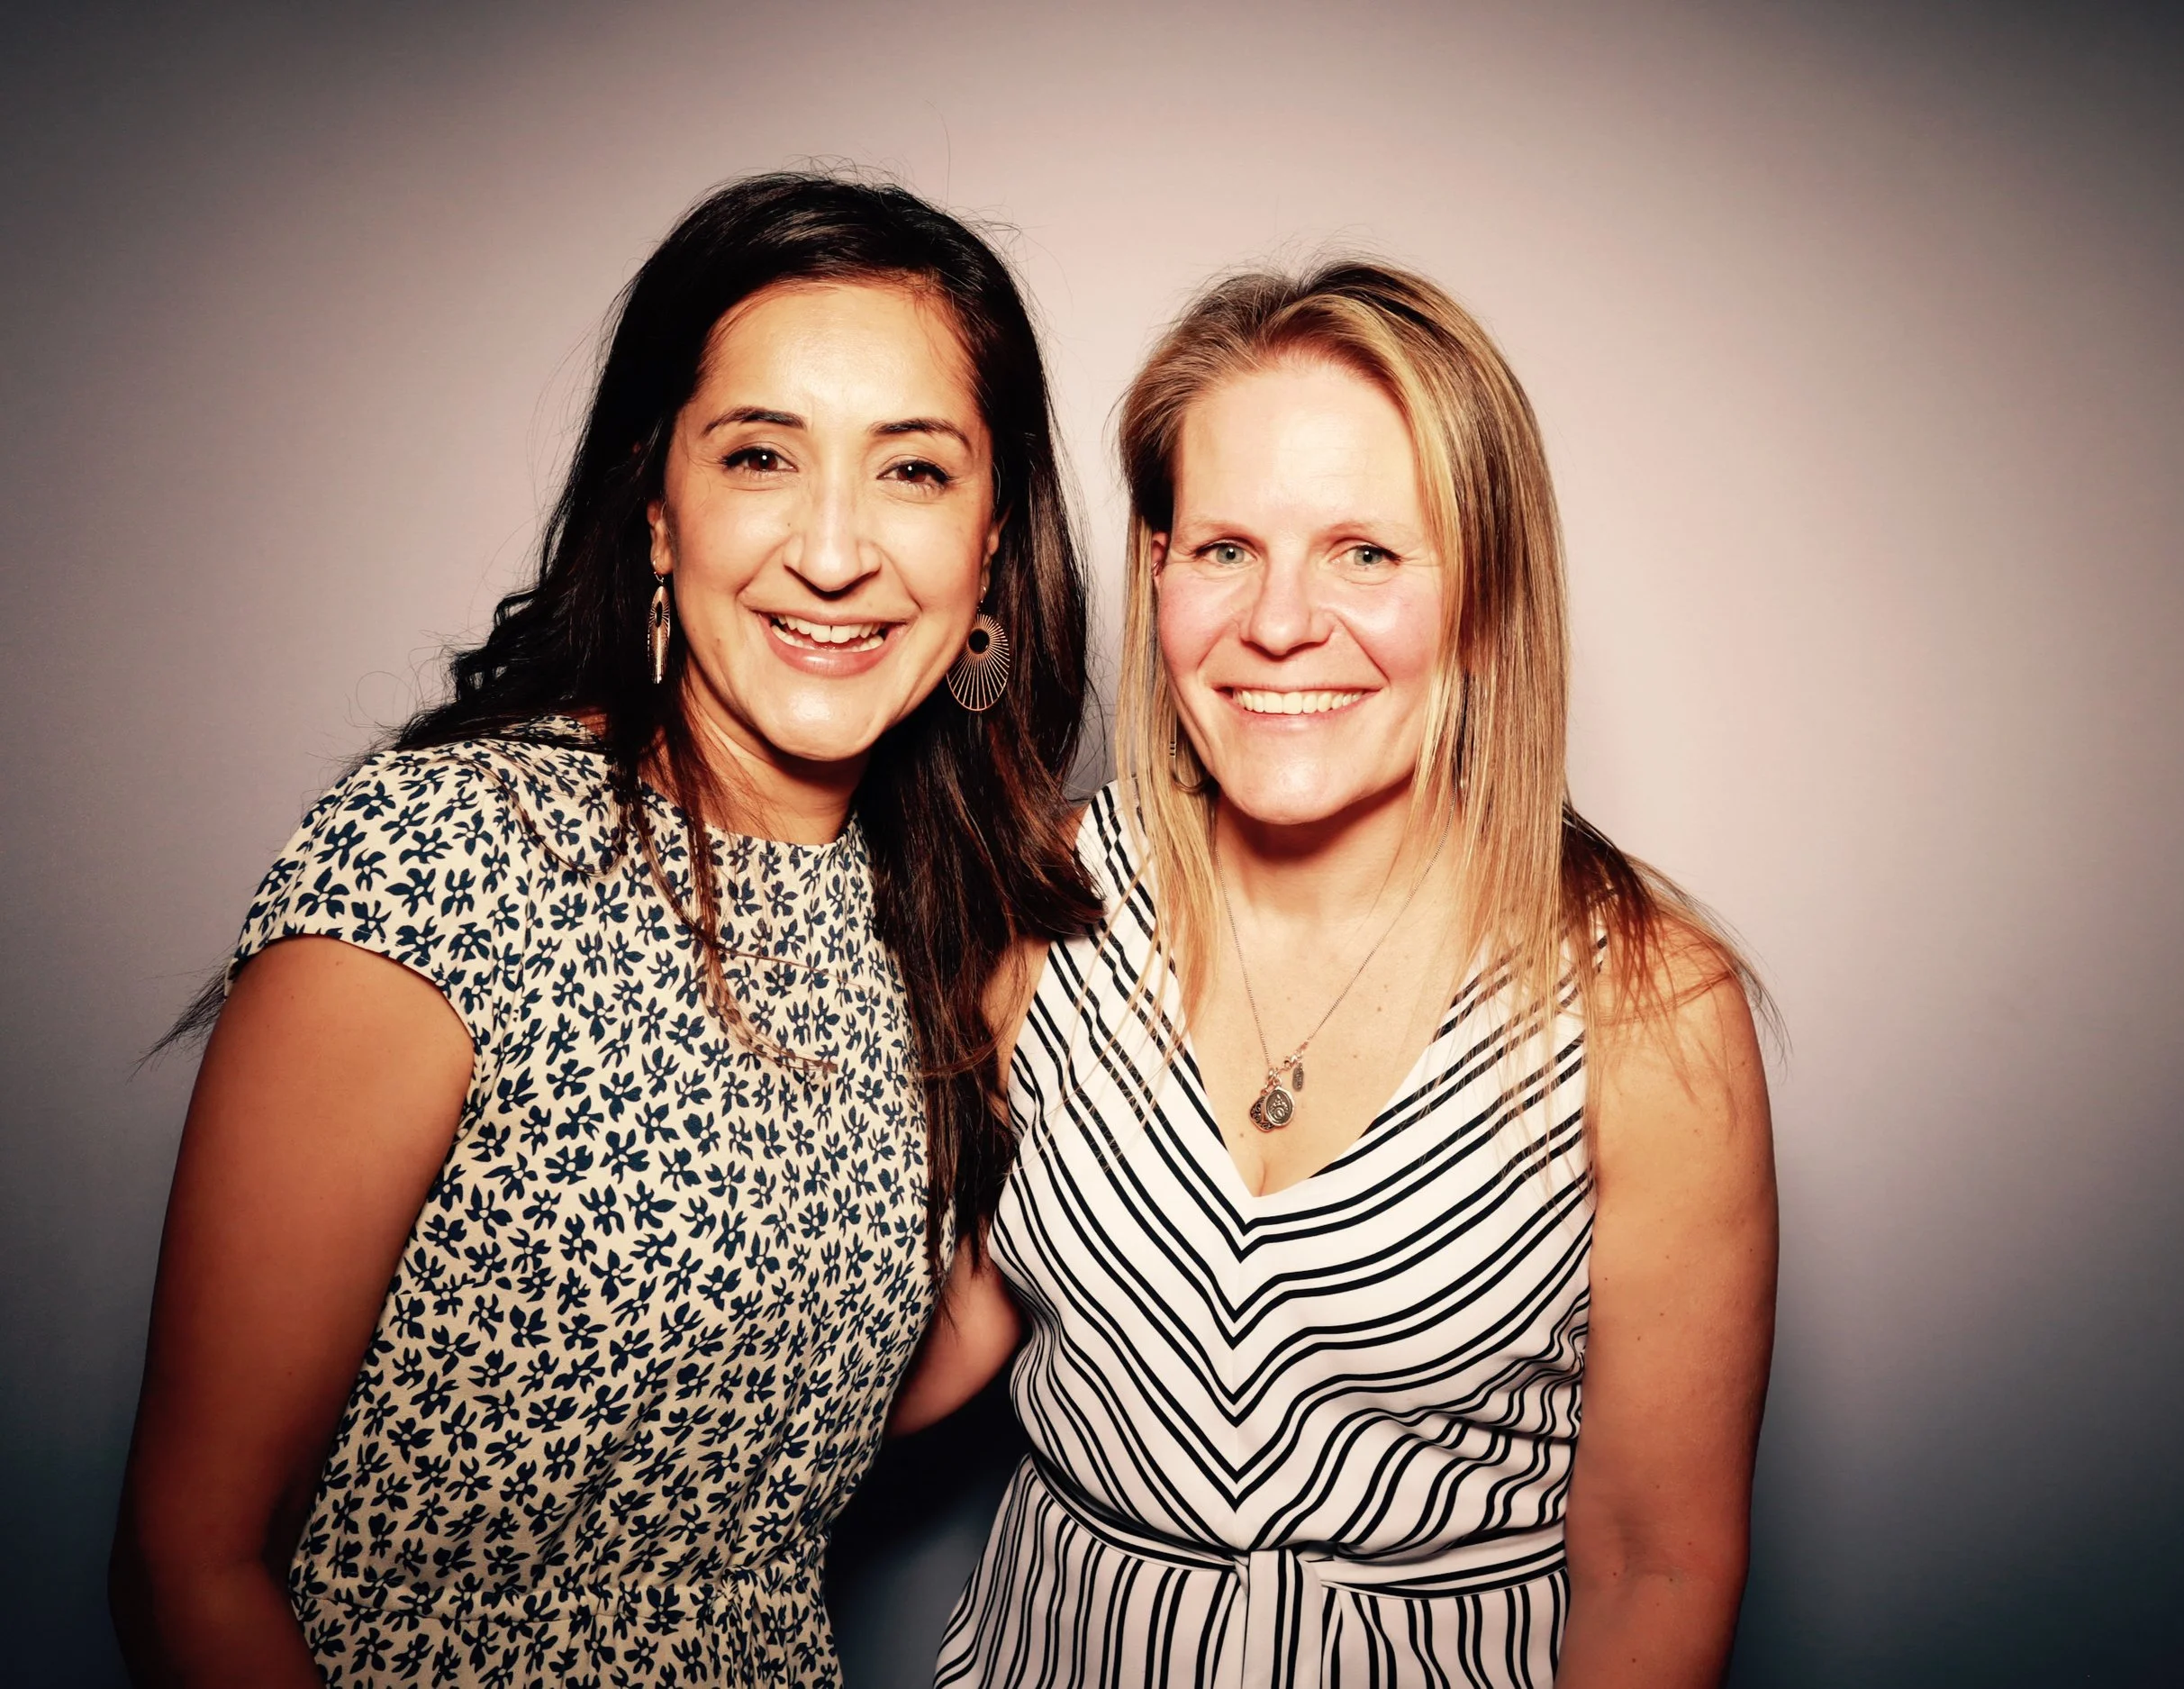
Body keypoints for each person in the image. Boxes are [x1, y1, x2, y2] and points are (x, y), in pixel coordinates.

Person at [109, 172, 1099, 1688]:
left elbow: (832, 1400)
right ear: (657, 506)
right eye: (761, 454)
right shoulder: (445, 852)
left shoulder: (926, 919)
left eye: (912, 472)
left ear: (990, 550)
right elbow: (190, 1566)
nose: (836, 552)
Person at [897, 261, 1778, 1687]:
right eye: (1226, 547)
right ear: (1161, 569)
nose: (1283, 624)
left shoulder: (1650, 1007)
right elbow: (935, 1337)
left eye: (1366, 551)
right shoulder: (1038, 908)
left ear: (1487, 597)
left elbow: (1654, 1560)